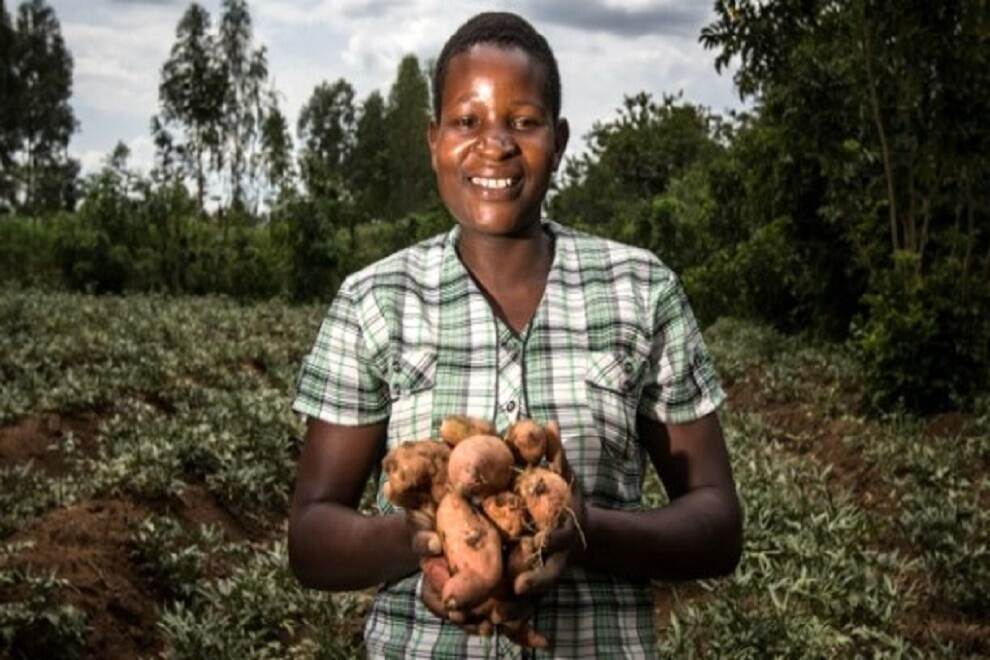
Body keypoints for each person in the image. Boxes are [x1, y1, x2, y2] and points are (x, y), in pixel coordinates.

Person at [288, 11, 742, 659]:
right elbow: (309, 538)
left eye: (522, 122)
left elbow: (718, 526)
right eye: (466, 122)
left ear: (556, 141)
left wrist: (584, 530)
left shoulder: (641, 289)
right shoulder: (375, 300)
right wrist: (429, 539)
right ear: (434, 140)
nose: (494, 144)